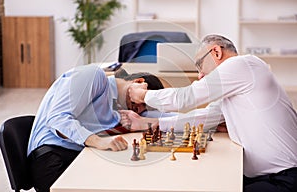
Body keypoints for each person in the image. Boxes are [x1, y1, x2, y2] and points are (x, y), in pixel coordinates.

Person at [127, 34, 297, 192]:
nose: (200, 76)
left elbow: (185, 98)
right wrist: (152, 124)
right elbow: (206, 117)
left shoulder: (242, 64)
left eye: (200, 66)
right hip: (264, 177)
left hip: (284, 179)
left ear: (216, 52)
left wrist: (143, 95)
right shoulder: (233, 86)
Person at [27, 64, 164, 192]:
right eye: (144, 100)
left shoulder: (120, 110)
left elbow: (165, 115)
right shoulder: (94, 76)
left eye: (145, 108)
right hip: (51, 160)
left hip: (76, 157)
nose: (140, 110)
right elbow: (57, 119)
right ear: (138, 82)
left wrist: (149, 120)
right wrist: (98, 141)